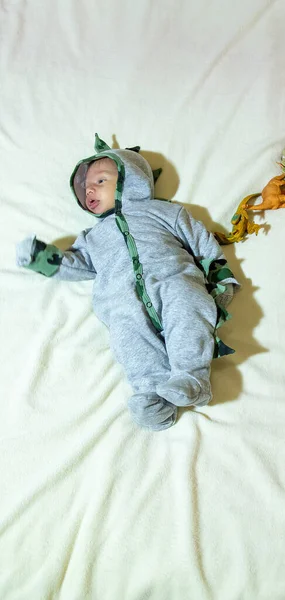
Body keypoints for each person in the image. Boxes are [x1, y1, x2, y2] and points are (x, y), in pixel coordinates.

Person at [16, 134, 240, 431]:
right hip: (121, 301)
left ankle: (191, 377)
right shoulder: (92, 238)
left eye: (100, 180)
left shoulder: (165, 212)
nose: (89, 189)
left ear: (130, 178)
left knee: (188, 312)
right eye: (85, 186)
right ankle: (151, 394)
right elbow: (78, 264)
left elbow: (199, 240)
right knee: (130, 341)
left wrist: (220, 276)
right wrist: (43, 258)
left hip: (173, 279)